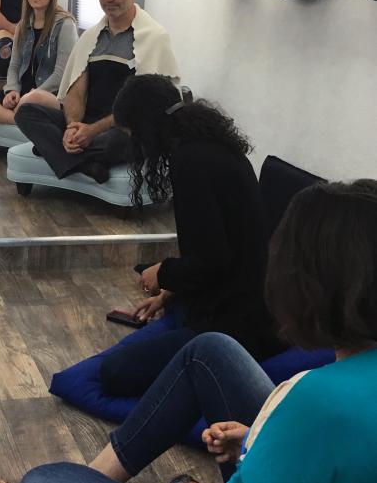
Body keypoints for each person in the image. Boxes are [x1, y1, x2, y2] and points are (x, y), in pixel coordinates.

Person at [0, 178, 377, 483]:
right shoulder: (336, 397)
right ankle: (96, 480)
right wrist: (257, 438)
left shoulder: (316, 400)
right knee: (209, 350)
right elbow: (343, 457)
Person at [98, 75, 283, 398]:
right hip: (252, 299)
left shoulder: (191, 163)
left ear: (146, 127)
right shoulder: (214, 149)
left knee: (114, 372)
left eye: (133, 136)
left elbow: (211, 262)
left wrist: (163, 273)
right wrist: (169, 294)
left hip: (242, 324)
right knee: (171, 310)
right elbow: (223, 250)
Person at [14, 0, 180, 184]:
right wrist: (73, 127)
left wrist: (91, 132)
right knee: (27, 112)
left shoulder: (155, 37)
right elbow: (75, 91)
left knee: (117, 143)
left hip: (124, 128)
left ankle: (53, 152)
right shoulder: (91, 37)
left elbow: (143, 108)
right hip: (87, 126)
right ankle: (87, 164)